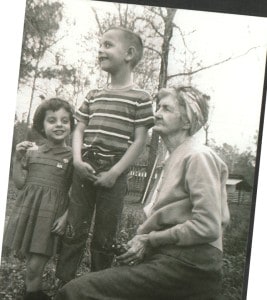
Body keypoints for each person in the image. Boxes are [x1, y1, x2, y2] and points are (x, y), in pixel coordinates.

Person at [55, 86, 230, 300]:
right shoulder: (172, 159)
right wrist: (139, 244)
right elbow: (170, 220)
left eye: (166, 109)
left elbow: (208, 226)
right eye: (158, 107)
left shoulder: (198, 156)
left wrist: (148, 240)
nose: (156, 114)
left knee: (75, 292)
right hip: (167, 257)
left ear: (187, 121)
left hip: (191, 265)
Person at [55, 26, 154, 282]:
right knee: (74, 229)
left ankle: (97, 285)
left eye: (108, 45)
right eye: (99, 45)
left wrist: (115, 173)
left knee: (105, 235)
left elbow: (140, 140)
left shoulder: (140, 98)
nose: (100, 49)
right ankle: (65, 284)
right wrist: (77, 160)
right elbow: (79, 129)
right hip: (84, 167)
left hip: (114, 173)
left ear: (129, 54)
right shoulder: (93, 95)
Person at [2, 98, 75, 300]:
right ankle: (33, 294)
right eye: (52, 120)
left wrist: (66, 217)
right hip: (30, 213)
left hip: (50, 218)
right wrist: (17, 159)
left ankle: (33, 294)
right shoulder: (32, 152)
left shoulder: (73, 156)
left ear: (71, 125)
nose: (59, 124)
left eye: (64, 120)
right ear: (42, 125)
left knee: (35, 266)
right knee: (31, 266)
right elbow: (19, 183)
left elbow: (77, 193)